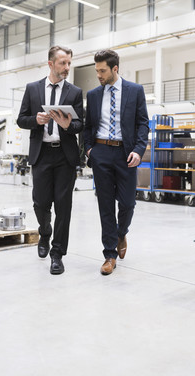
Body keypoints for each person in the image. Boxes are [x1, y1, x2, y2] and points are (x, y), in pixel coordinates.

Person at [17, 46, 83, 275]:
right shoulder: (33, 89)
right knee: (40, 202)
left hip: (64, 155)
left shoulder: (75, 92)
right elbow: (21, 119)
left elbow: (80, 124)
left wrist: (68, 125)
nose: (67, 68)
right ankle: (45, 233)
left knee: (63, 207)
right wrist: (35, 119)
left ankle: (57, 254)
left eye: (69, 63)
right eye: (62, 63)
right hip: (42, 154)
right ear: (50, 64)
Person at [84, 49, 149, 275]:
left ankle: (122, 233)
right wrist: (90, 149)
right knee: (105, 205)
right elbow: (88, 126)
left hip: (126, 154)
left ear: (115, 69)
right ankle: (109, 254)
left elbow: (143, 124)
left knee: (128, 203)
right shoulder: (93, 95)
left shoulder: (135, 90)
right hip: (101, 152)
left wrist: (139, 150)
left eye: (102, 71)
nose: (99, 75)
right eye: (97, 71)